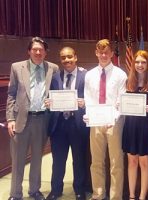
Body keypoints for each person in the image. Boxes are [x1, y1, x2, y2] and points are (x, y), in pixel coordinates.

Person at [6, 37, 59, 200]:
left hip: (42, 120)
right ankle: (15, 194)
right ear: (29, 51)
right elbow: (11, 94)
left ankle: (34, 190)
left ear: (45, 52)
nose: (38, 52)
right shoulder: (17, 67)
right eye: (34, 49)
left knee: (37, 158)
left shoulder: (53, 68)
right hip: (21, 120)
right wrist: (10, 119)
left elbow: (56, 93)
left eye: (41, 50)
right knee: (18, 159)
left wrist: (54, 102)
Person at [84, 39, 127, 200]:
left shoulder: (120, 74)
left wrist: (113, 118)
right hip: (95, 122)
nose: (103, 55)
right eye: (100, 52)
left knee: (116, 162)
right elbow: (88, 98)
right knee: (96, 162)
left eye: (106, 52)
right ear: (96, 53)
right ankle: (98, 194)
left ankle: (116, 197)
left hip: (114, 122)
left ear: (111, 54)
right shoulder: (90, 75)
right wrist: (88, 115)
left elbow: (121, 101)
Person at [45, 47, 90, 200]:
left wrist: (85, 103)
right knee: (58, 160)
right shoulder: (55, 77)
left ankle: (79, 190)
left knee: (79, 159)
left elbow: (92, 98)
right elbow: (51, 97)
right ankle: (56, 190)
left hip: (78, 124)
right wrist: (49, 103)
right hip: (59, 125)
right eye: (63, 57)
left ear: (75, 57)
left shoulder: (86, 76)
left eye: (69, 57)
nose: (66, 60)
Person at [122, 50, 148, 200]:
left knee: (144, 162)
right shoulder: (128, 82)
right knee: (131, 161)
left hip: (146, 126)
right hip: (130, 125)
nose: (140, 65)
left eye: (143, 62)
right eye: (137, 62)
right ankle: (131, 196)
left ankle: (142, 197)